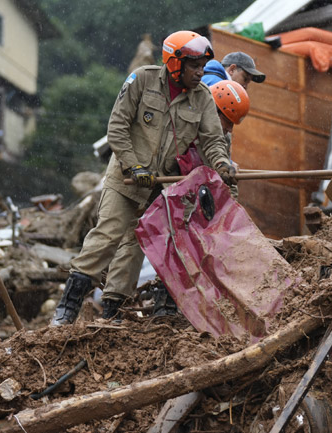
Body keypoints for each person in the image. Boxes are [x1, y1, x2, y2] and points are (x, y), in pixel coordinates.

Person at [51, 30, 238, 325]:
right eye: (194, 66)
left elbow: (213, 141)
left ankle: (134, 311)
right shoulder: (142, 80)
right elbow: (117, 127)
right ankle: (67, 308)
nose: (200, 72)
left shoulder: (202, 97)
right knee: (107, 237)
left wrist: (222, 165)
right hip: (125, 180)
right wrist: (134, 166)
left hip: (161, 186)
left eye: (203, 66)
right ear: (175, 63)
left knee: (154, 244)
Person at [150, 80, 250, 317]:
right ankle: (164, 304)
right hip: (174, 194)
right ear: (214, 112)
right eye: (227, 121)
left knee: (204, 251)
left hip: (201, 199)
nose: (229, 129)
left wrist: (231, 207)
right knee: (174, 245)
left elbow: (226, 181)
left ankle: (200, 304)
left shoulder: (222, 139)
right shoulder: (185, 127)